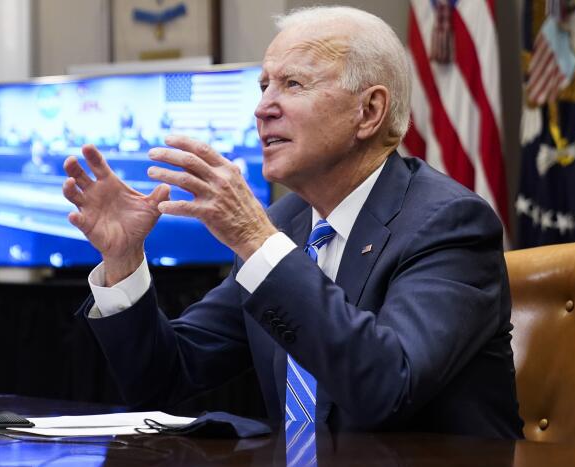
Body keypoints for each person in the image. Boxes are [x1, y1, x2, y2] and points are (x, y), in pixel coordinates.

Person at [62, 6, 522, 436]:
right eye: (264, 86)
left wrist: (257, 240)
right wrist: (123, 260)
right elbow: (164, 377)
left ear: (369, 111)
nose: (263, 108)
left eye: (293, 85)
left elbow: (388, 387)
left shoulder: (450, 224)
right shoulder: (286, 223)